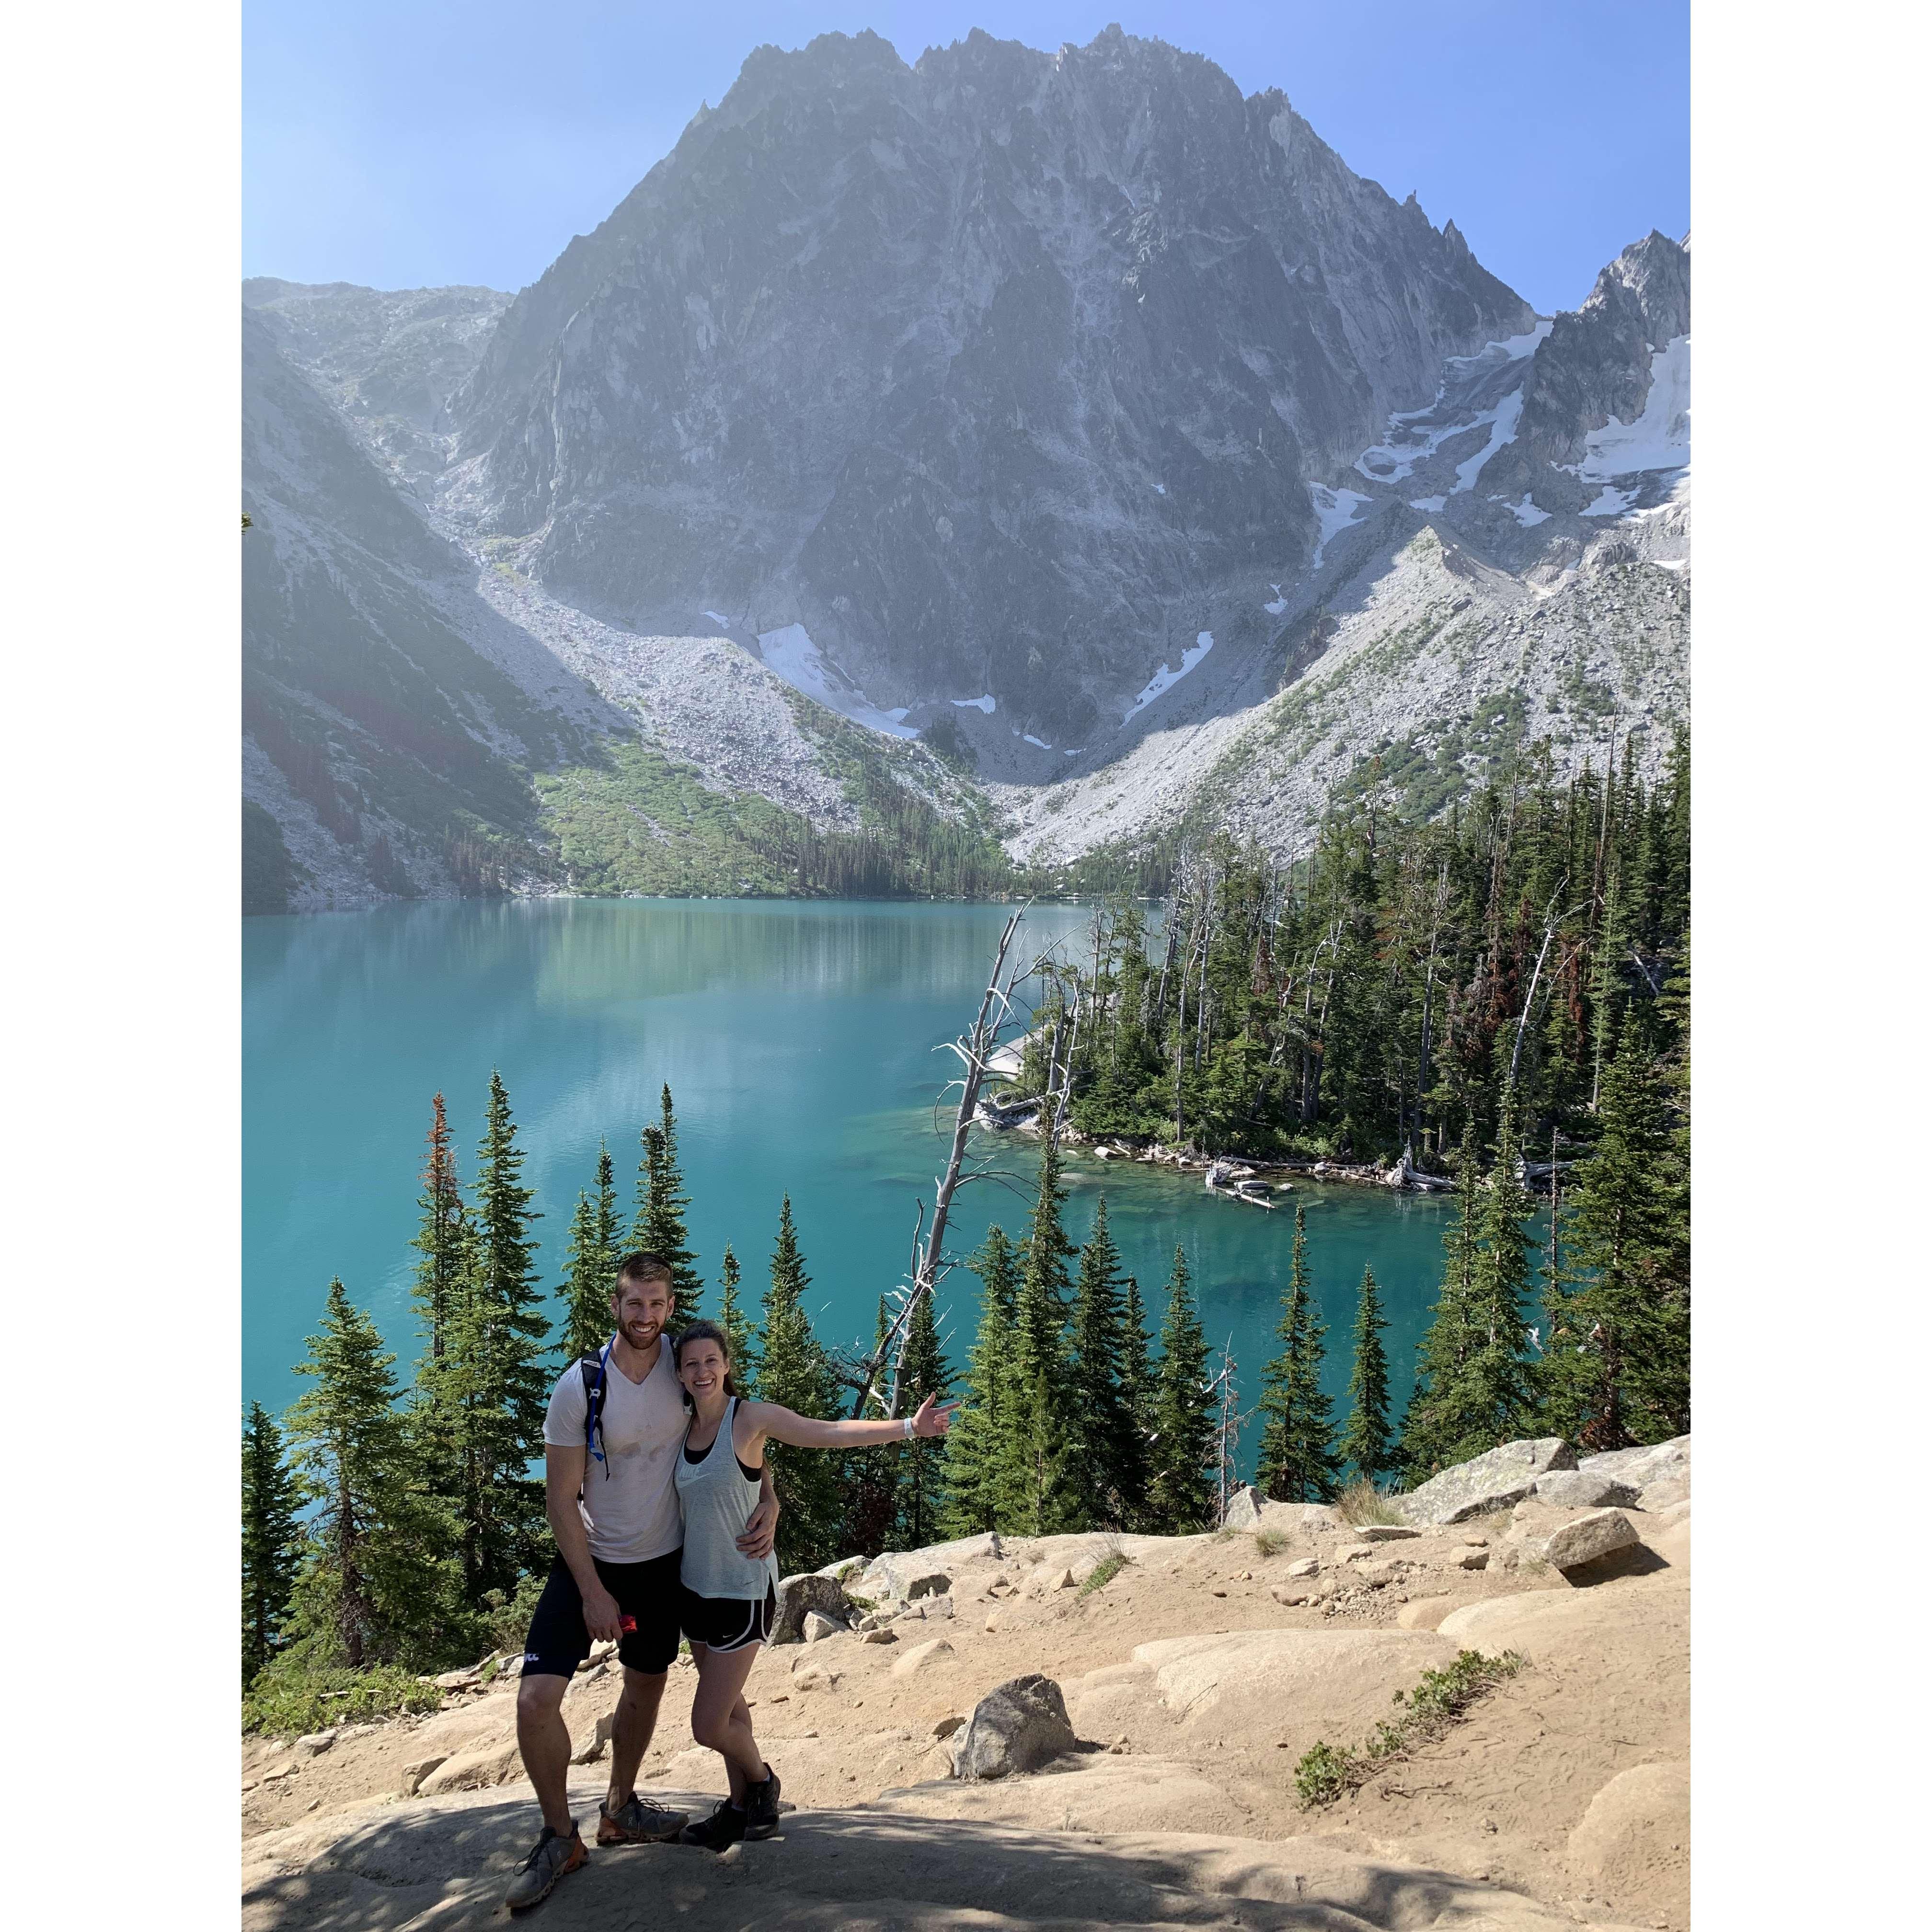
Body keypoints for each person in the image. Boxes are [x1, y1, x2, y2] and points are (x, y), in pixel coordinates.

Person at [505, 1255, 780, 1912]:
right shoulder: (583, 1385)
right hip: (590, 1560)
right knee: (535, 1699)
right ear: (615, 1305)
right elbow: (559, 1499)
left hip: (664, 1565)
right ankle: (557, 1836)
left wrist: (770, 1498)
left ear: (670, 1305)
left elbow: (739, 1434)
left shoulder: (683, 1371)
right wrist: (593, 1591)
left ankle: (620, 1807)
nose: (646, 1317)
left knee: (646, 1681)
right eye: (635, 1305)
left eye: (657, 1305)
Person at [668, 1318, 957, 1852]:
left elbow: (825, 1432)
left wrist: (909, 1428)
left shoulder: (749, 1418)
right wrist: (769, 1494)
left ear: (727, 1366)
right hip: (696, 1590)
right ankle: (739, 1811)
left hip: (742, 1589)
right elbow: (749, 1476)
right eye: (691, 1364)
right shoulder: (681, 1428)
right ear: (681, 1375)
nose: (702, 1371)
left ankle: (762, 1783)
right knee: (730, 1709)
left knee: (708, 1725)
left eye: (711, 1361)